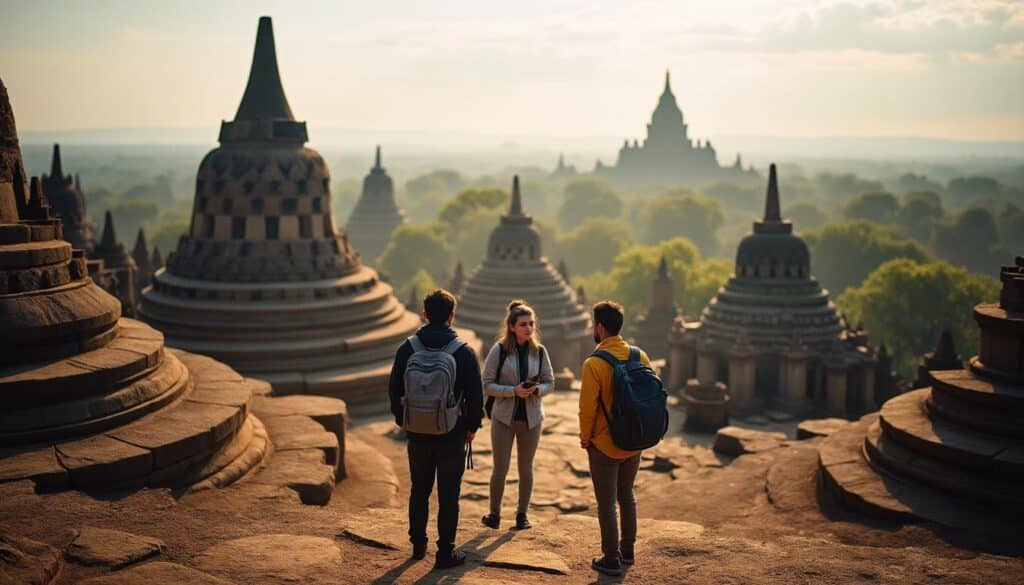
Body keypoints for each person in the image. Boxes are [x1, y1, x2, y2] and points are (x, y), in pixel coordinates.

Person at [388, 288, 483, 570]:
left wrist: (405, 421)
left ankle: (418, 545)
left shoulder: (408, 348)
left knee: (419, 490)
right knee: (448, 495)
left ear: (425, 315)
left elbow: (394, 391)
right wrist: (470, 427)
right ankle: (445, 553)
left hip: (417, 433)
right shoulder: (463, 352)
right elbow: (476, 399)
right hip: (451, 433)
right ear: (452, 317)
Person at [579, 300, 649, 576]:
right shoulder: (639, 356)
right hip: (634, 440)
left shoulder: (594, 363)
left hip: (605, 445)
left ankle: (611, 558)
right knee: (627, 495)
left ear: (600, 327)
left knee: (607, 502)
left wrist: (586, 438)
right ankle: (628, 550)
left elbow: (587, 409)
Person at [480, 300, 555, 531]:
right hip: (504, 418)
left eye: (531, 324)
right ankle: (494, 514)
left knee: (526, 468)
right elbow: (486, 384)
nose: (529, 328)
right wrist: (513, 391)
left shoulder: (539, 351)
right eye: (523, 324)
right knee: (500, 469)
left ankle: (522, 514)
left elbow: (550, 382)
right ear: (512, 326)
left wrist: (536, 390)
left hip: (532, 419)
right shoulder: (499, 350)